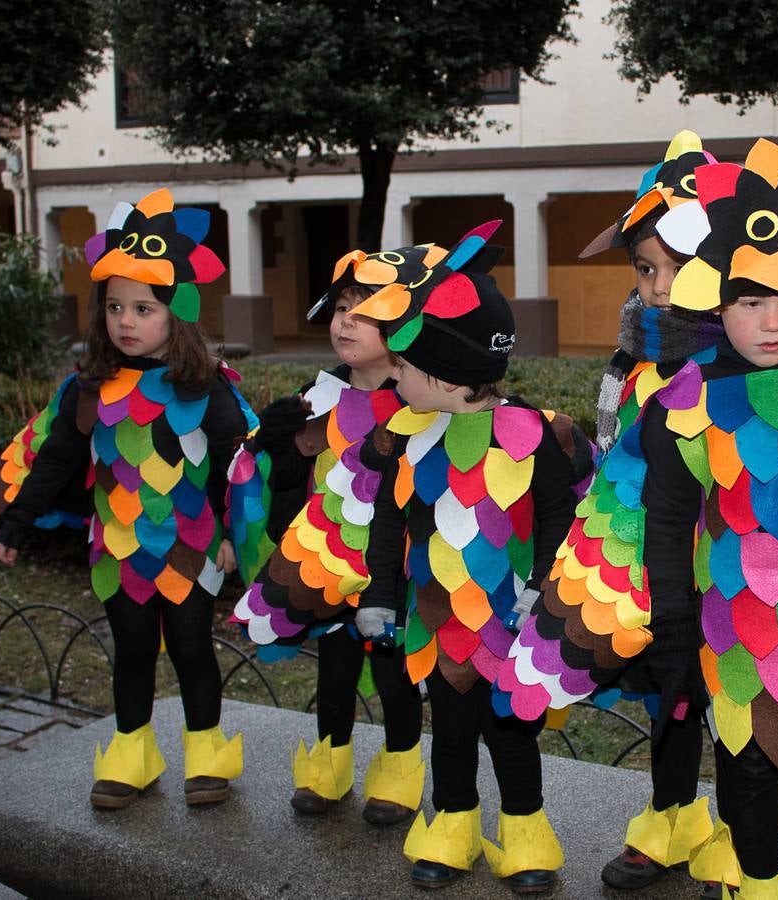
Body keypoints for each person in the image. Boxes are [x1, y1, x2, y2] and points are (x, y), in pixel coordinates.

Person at [498, 138, 778, 900]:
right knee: (745, 771)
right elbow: (668, 525)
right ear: (718, 300)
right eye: (751, 301)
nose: (773, 321)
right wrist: (675, 629)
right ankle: (760, 884)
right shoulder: (685, 398)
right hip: (735, 631)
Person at [237, 221, 593, 894]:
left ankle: (524, 839)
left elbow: (560, 516)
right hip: (437, 626)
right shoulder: (405, 436)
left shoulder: (536, 438)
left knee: (512, 738)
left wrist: (543, 590)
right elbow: (386, 519)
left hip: (512, 630)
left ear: (444, 375)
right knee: (452, 733)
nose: (390, 378)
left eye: (401, 367)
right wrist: (377, 595)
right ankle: (452, 828)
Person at [0, 188, 254, 809]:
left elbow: (235, 465)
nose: (126, 321)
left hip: (188, 546)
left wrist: (231, 533)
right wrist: (16, 524)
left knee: (194, 647)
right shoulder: (88, 388)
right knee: (133, 649)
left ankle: (205, 753)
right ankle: (131, 750)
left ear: (177, 312)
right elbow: (56, 458)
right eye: (116, 307)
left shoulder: (205, 389)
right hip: (117, 547)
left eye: (144, 308)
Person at [228, 246, 439, 823]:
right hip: (329, 561)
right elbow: (292, 483)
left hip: (396, 566)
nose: (346, 319)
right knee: (336, 668)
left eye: (365, 309)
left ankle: (400, 765)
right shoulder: (315, 395)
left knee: (395, 675)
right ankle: (331, 757)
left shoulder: (423, 396)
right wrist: (280, 444)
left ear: (401, 325)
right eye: (341, 306)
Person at [578, 129, 731, 893]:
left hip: (736, 571)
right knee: (670, 700)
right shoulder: (627, 362)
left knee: (734, 701)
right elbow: (612, 461)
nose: (660, 286)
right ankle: (669, 818)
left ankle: (743, 839)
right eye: (646, 268)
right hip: (652, 565)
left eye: (681, 268)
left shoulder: (741, 360)